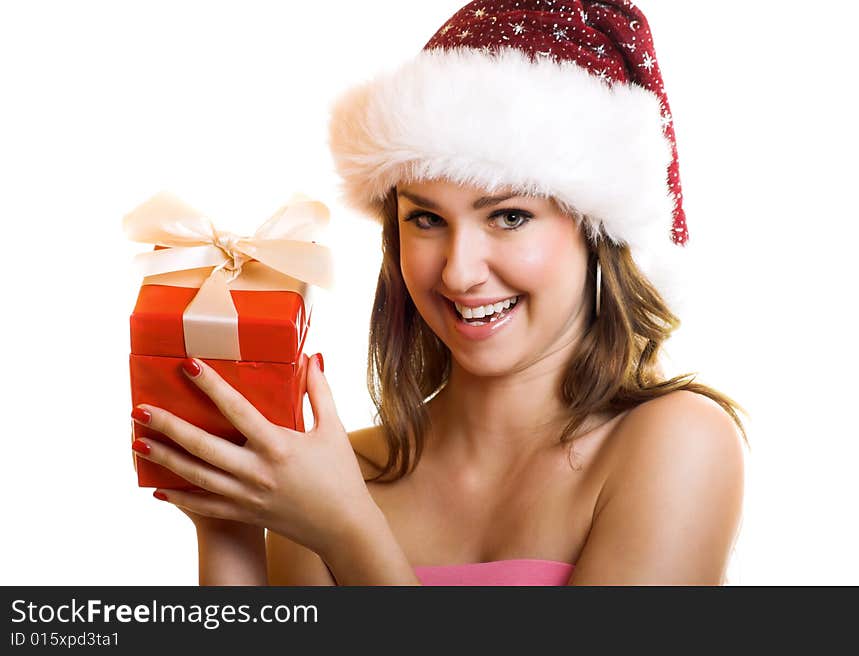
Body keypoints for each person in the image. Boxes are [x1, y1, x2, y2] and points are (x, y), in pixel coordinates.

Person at [130, 0, 747, 585]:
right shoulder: (331, 474)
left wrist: (348, 533)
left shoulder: (677, 442)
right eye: (425, 219)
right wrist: (229, 521)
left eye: (508, 216)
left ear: (596, 232)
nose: (458, 273)